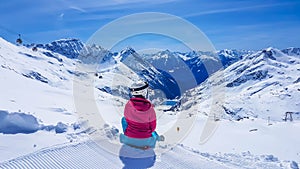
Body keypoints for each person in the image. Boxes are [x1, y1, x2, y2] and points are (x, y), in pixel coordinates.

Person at [120, 81, 164, 148]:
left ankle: (131, 136)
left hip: (129, 138)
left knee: (124, 119)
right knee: (149, 128)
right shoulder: (150, 108)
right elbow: (152, 127)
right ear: (144, 92)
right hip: (146, 141)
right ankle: (157, 138)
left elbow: (127, 119)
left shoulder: (128, 105)